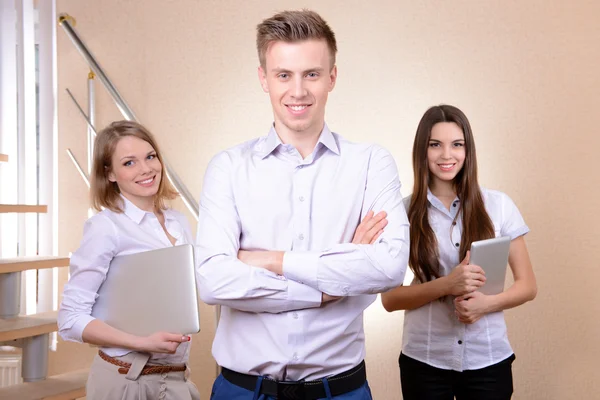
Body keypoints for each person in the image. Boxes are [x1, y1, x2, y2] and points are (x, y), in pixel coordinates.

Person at [195, 9, 410, 400]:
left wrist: (270, 260)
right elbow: (212, 279)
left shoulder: (370, 164)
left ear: (332, 77)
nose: (298, 91)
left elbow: (389, 267)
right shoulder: (227, 167)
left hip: (340, 392)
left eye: (311, 74)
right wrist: (330, 281)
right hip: (242, 391)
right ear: (263, 78)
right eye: (283, 75)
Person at [381, 104, 537, 400]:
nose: (446, 155)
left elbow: (528, 286)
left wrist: (485, 305)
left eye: (457, 144)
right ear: (421, 151)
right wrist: (447, 284)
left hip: (488, 360)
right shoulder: (403, 212)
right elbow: (389, 299)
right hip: (424, 361)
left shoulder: (499, 205)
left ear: (468, 150)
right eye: (435, 145)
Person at [57, 121, 200, 400]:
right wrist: (142, 342)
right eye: (129, 162)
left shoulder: (178, 221)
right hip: (126, 380)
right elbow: (70, 319)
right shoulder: (105, 227)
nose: (146, 169)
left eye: (150, 157)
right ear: (109, 173)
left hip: (176, 377)